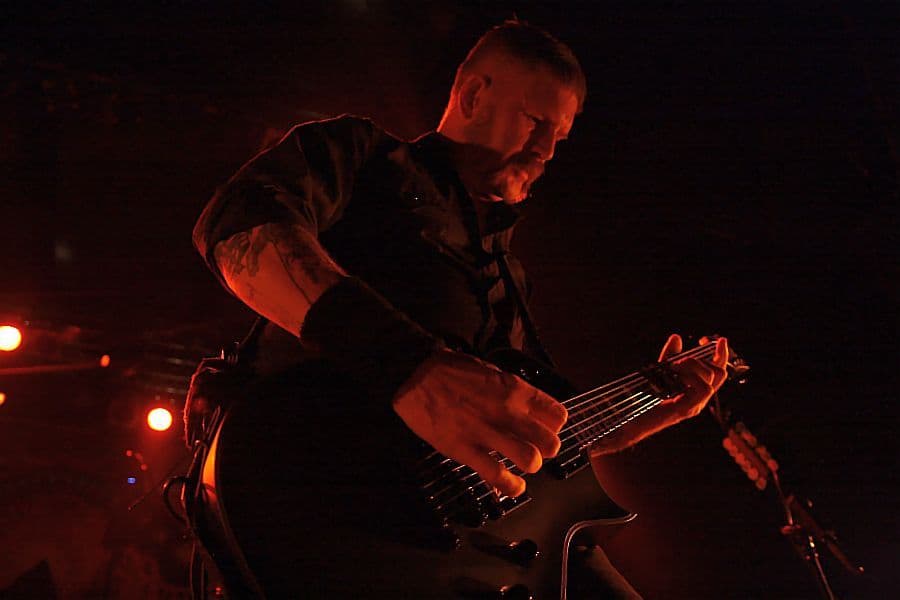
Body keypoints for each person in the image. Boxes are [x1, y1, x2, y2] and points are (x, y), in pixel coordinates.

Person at [192, 19, 729, 599]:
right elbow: (238, 221)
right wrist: (408, 365)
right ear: (473, 94)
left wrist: (652, 408)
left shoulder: (507, 272)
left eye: (560, 136)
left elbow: (534, 437)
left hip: (484, 554)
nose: (546, 150)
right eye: (535, 121)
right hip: (328, 505)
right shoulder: (371, 160)